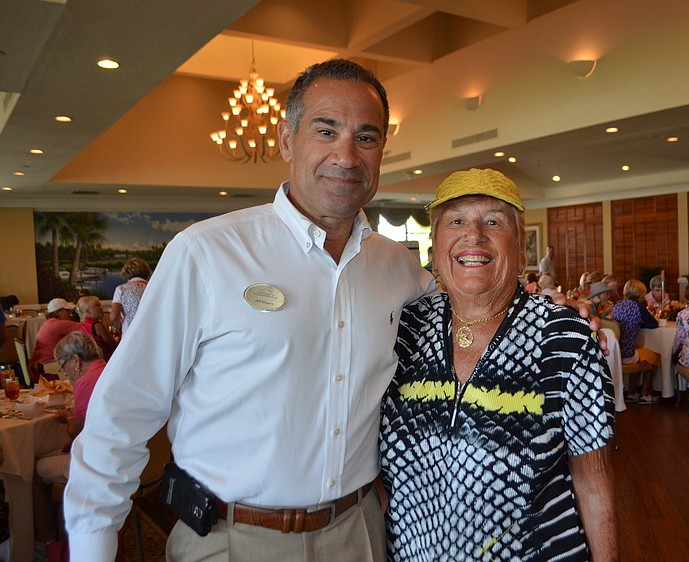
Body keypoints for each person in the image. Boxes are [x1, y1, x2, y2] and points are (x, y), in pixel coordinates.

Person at [63, 58, 438, 562]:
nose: (346, 156)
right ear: (287, 141)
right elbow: (124, 410)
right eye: (326, 130)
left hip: (360, 532)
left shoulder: (399, 267)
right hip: (230, 538)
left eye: (366, 137)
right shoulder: (206, 252)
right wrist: (92, 549)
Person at [380, 168, 618, 561]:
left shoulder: (564, 336)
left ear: (521, 251)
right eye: (456, 221)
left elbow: (593, 482)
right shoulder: (404, 328)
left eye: (493, 221)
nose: (473, 235)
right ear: (435, 249)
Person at [33, 332, 105, 545]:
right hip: (120, 457)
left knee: (33, 471)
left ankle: (46, 543)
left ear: (76, 360)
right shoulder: (108, 368)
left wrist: (66, 420)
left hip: (95, 465)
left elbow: (76, 431)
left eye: (63, 366)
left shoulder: (85, 381)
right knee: (59, 452)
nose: (65, 373)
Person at [610, 279, 660, 404]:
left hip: (616, 353)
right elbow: (653, 324)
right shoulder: (638, 306)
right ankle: (644, 394)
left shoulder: (618, 305)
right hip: (627, 354)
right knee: (654, 357)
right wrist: (640, 324)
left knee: (641, 353)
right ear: (641, 293)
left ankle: (632, 392)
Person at [29, 298, 80, 377]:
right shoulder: (59, 324)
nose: (71, 314)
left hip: (38, 365)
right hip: (48, 366)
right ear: (58, 312)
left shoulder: (49, 323)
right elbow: (87, 328)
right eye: (67, 311)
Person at [110, 257, 152, 336]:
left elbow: (114, 316)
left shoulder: (121, 289)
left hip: (130, 334)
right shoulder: (153, 288)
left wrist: (118, 328)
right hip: (152, 332)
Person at [76, 296, 117, 361]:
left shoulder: (83, 325)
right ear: (88, 311)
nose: (101, 307)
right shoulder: (97, 326)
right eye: (97, 305)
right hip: (108, 360)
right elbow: (114, 346)